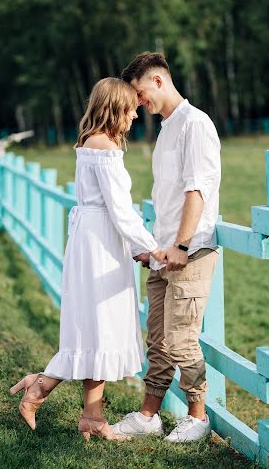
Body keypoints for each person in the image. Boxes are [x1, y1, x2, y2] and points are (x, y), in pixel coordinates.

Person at [10, 77, 166, 441]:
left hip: (95, 238)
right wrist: (152, 246)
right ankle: (40, 389)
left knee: (98, 329)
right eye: (129, 111)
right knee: (96, 326)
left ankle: (92, 417)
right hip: (100, 244)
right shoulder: (104, 148)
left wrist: (135, 246)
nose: (134, 118)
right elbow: (121, 212)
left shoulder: (92, 142)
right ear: (114, 109)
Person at [112, 52, 221, 442]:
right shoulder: (167, 130)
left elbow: (197, 191)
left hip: (189, 253)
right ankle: (148, 415)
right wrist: (153, 248)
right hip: (163, 255)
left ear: (158, 81)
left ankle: (198, 416)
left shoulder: (196, 124)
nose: (139, 102)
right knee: (157, 341)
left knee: (181, 339)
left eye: (140, 92)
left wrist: (180, 245)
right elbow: (168, 198)